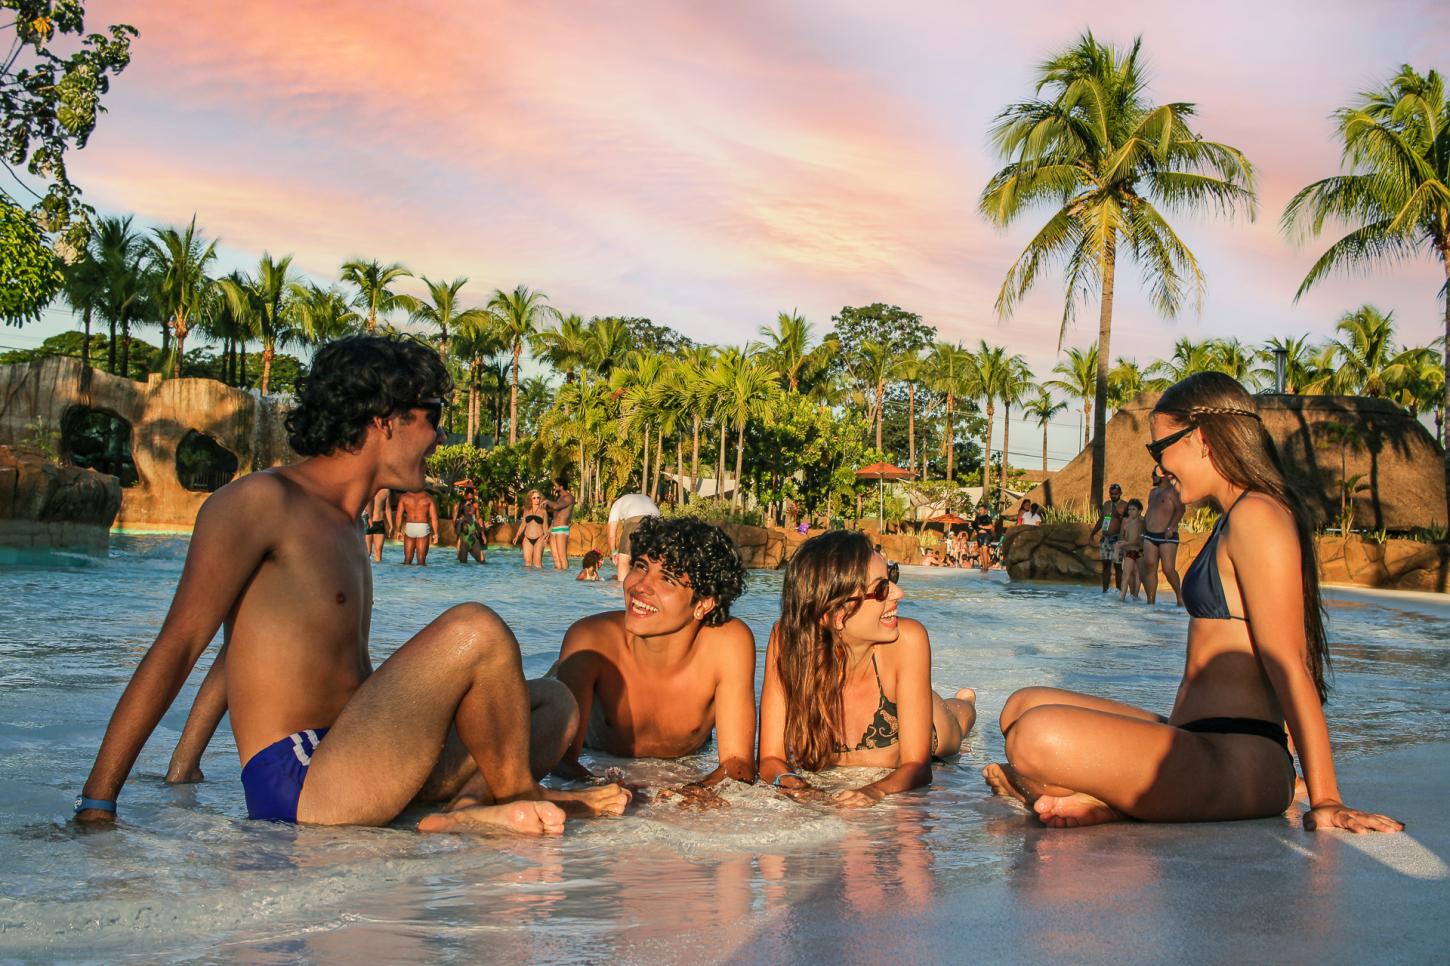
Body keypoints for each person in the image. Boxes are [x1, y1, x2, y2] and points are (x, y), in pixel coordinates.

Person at [77, 335, 628, 835]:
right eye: (431, 416)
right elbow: (179, 645)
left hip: (361, 755)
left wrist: (185, 764)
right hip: (304, 778)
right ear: (385, 419)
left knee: (549, 704)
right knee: (475, 628)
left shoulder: (349, 523)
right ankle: (520, 797)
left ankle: (461, 813)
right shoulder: (260, 502)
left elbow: (244, 647)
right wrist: (98, 802)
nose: (438, 436)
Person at [984, 372, 1403, 833]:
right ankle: (1120, 800)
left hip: (1239, 758)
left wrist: (1326, 799)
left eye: (1159, 449)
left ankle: (1120, 802)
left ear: (1201, 439)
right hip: (1197, 740)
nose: (1159, 469)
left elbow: (1288, 661)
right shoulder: (1236, 516)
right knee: (1020, 706)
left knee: (1033, 739)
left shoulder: (1259, 515)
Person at [759, 531, 977, 807]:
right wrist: (793, 784)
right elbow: (769, 758)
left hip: (933, 728)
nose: (899, 593)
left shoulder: (907, 640)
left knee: (958, 720)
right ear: (836, 615)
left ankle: (965, 699)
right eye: (882, 588)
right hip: (898, 690)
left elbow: (918, 766)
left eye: (892, 577)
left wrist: (874, 791)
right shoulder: (787, 641)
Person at [551, 517, 755, 804]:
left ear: (703, 604)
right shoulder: (591, 641)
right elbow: (559, 762)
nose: (641, 586)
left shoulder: (727, 644)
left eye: (667, 579)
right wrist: (603, 789)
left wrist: (697, 790)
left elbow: (738, 764)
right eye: (641, 567)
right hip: (594, 749)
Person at [1143, 466, 1187, 606]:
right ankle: (1151, 600)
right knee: (1150, 566)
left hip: (1166, 536)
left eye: (1154, 475)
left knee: (1168, 569)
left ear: (1163, 476)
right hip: (1150, 535)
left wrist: (1171, 527)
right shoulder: (1153, 492)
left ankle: (1180, 597)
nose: (1152, 478)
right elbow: (1150, 510)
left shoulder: (1172, 492)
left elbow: (1181, 509)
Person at [606, 491, 661, 582]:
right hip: (657, 521)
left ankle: (621, 589)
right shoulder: (645, 498)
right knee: (651, 559)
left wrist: (614, 553)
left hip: (634, 519)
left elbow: (611, 533)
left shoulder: (617, 503)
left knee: (623, 560)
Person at [395, 488, 439, 566]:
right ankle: (420, 577)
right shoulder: (428, 497)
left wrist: (398, 531)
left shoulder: (404, 497)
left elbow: (399, 516)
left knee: (407, 559)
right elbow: (434, 517)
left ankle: (406, 577)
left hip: (410, 526)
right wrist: (436, 534)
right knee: (421, 559)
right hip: (423, 526)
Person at [1099, 483, 1128, 592]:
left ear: (1120, 493)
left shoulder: (1124, 505)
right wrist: (1093, 533)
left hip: (1117, 539)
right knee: (1106, 566)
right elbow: (1101, 520)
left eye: (1115, 494)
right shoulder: (1106, 504)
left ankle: (1119, 591)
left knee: (1117, 565)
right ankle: (1104, 591)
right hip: (1105, 538)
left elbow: (1127, 522)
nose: (1113, 496)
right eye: (1111, 494)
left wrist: (1118, 515)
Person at [544, 476, 575, 571]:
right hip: (554, 528)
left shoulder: (569, 497)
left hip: (562, 528)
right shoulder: (559, 498)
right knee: (556, 559)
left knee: (562, 557)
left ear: (561, 487)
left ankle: (565, 582)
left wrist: (547, 501)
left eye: (555, 486)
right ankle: (557, 584)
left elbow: (557, 507)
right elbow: (555, 515)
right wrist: (549, 530)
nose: (554, 487)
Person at [513, 490, 549, 569]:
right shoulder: (526, 510)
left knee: (537, 564)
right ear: (530, 499)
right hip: (527, 538)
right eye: (534, 498)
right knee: (527, 563)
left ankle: (537, 581)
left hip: (539, 538)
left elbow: (545, 526)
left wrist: (546, 537)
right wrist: (517, 536)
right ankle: (528, 581)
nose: (536, 499)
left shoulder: (543, 511)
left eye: (538, 497)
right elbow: (523, 524)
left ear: (540, 499)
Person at [453, 483, 486, 564]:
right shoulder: (458, 504)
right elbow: (454, 519)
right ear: (466, 494)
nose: (471, 498)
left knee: (482, 560)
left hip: (473, 532)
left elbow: (479, 519)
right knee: (461, 560)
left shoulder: (475, 505)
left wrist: (483, 534)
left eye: (472, 497)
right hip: (463, 532)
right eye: (470, 496)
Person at [1119, 499, 1145, 601]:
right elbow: (1122, 535)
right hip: (1129, 550)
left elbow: (1141, 538)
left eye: (1133, 509)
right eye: (1129, 509)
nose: (1130, 511)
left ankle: (1135, 596)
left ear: (1139, 511)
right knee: (1127, 574)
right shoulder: (1125, 521)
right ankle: (1122, 597)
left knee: (1138, 574)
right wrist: (1123, 546)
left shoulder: (1142, 522)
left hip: (1139, 550)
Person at [363, 488, 391, 563]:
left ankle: (379, 574)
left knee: (378, 553)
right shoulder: (367, 487)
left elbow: (387, 508)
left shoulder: (386, 491)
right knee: (367, 552)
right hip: (367, 522)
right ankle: (365, 573)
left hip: (379, 523)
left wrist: (391, 525)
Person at [973, 504, 994, 573]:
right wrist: (975, 529)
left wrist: (982, 527)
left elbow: (991, 526)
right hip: (979, 535)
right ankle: (983, 566)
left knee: (985, 549)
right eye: (979, 510)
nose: (980, 511)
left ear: (985, 510)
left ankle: (986, 567)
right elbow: (975, 526)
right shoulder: (977, 517)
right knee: (981, 551)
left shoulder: (987, 517)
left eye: (981, 509)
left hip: (986, 535)